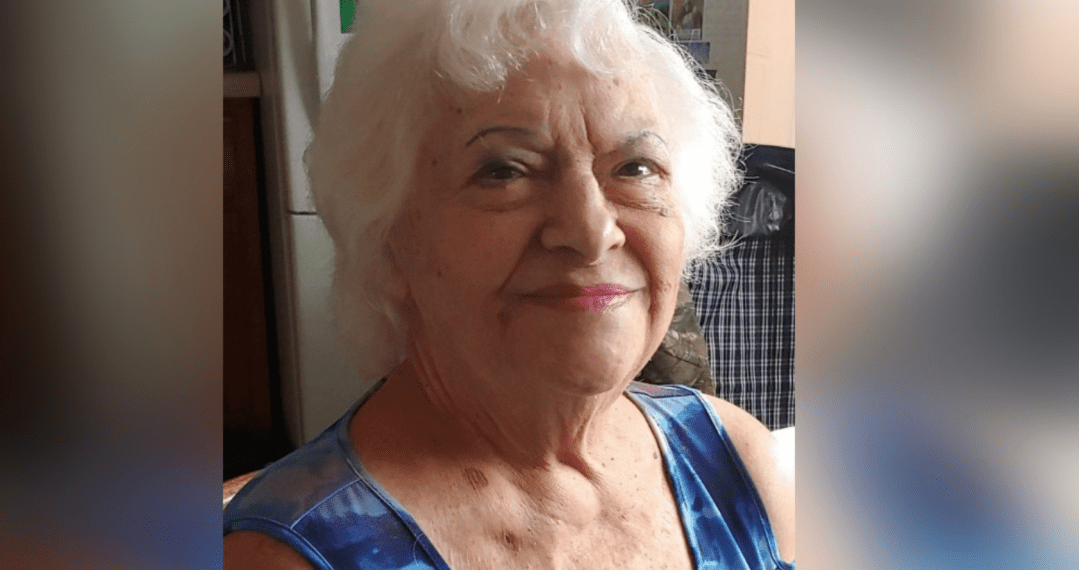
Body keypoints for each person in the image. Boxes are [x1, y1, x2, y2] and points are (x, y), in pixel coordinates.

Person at [223, 0, 793, 568]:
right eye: (503, 171)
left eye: (635, 167)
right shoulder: (279, 559)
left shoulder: (738, 465)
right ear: (389, 241)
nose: (592, 231)